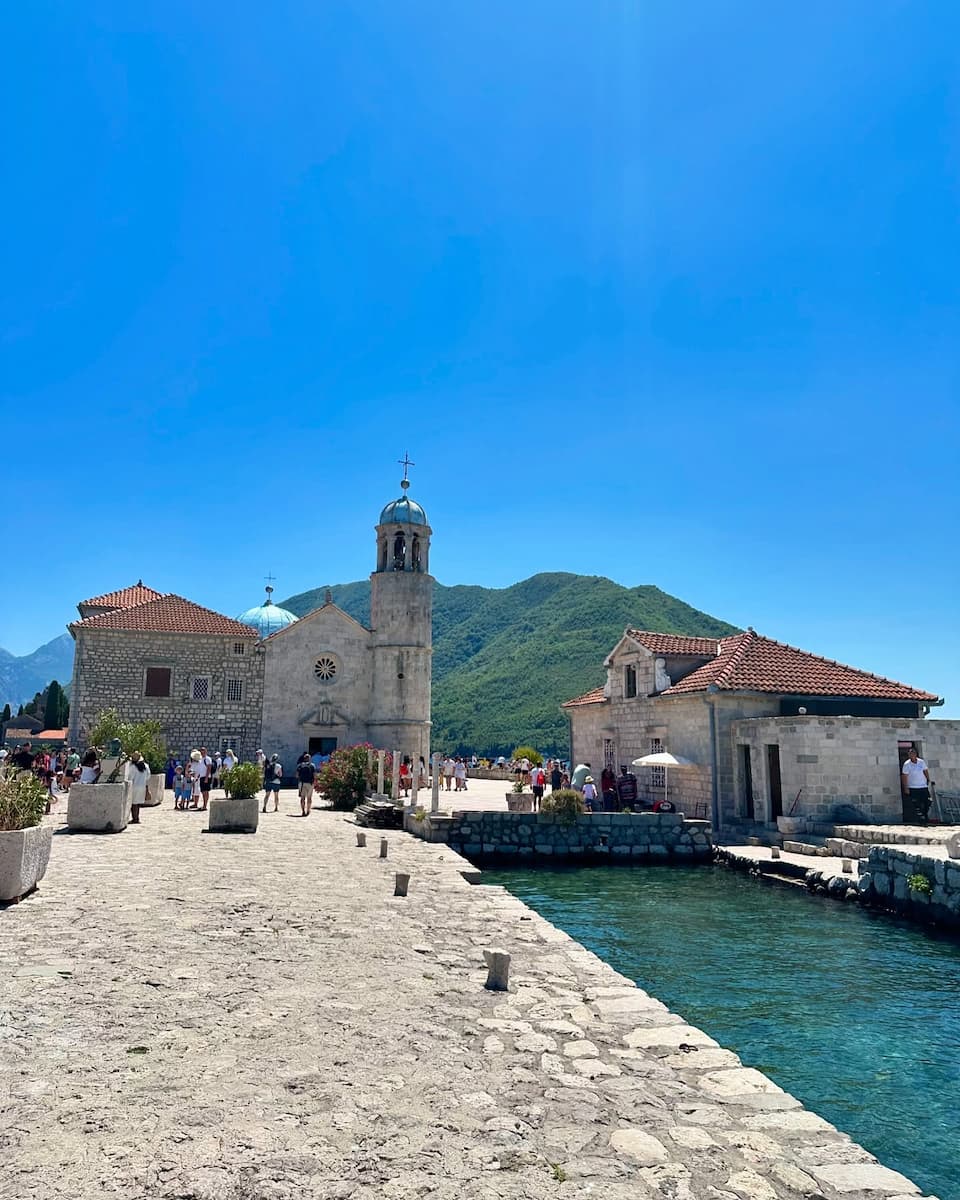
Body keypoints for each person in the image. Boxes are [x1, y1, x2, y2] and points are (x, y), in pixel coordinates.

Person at [901, 748, 931, 824]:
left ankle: (925, 814)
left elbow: (925, 771)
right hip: (913, 787)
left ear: (916, 754)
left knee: (928, 801)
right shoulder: (907, 764)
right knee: (917, 804)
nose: (912, 755)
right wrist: (906, 788)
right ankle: (922, 819)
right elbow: (904, 776)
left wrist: (928, 779)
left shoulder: (921, 762)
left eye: (913, 753)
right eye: (910, 753)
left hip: (923, 786)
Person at [125, 752, 150, 824]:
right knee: (138, 803)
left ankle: (135, 818)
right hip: (142, 786)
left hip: (134, 786)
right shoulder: (145, 766)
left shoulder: (132, 767)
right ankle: (136, 817)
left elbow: (130, 777)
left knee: (133, 803)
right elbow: (148, 776)